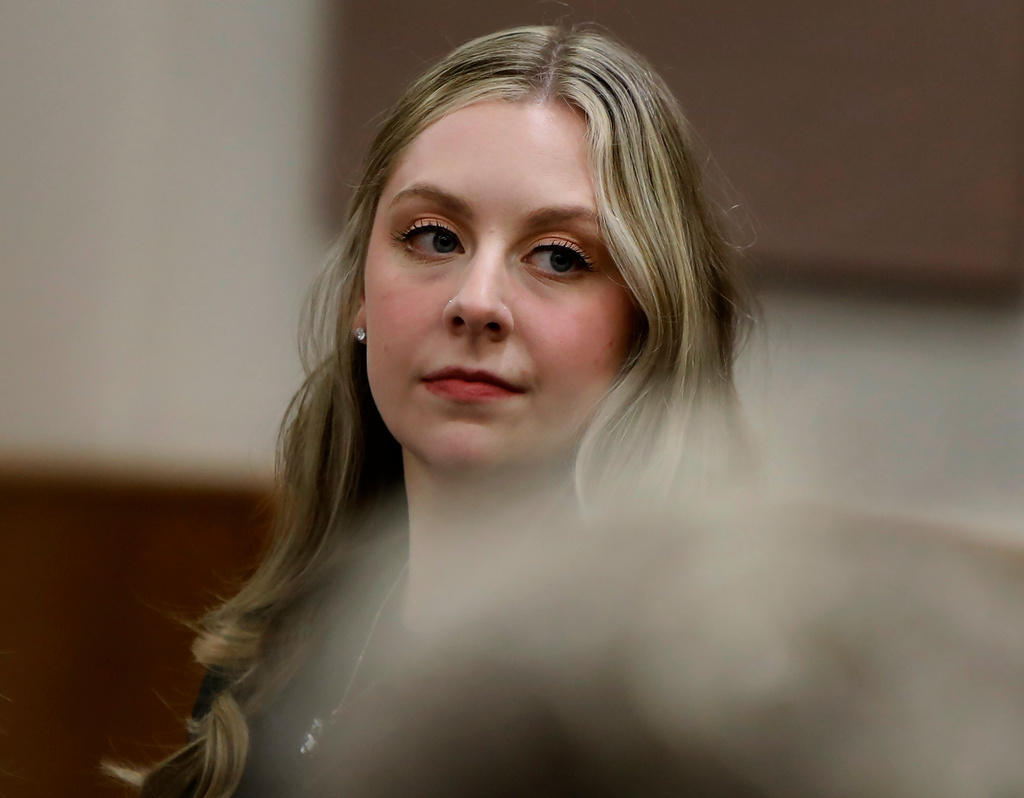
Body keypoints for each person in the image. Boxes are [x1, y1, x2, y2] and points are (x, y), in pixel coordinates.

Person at [118, 23, 749, 797]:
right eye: (433, 237)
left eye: (559, 256)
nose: (476, 301)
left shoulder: (698, 723)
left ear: (646, 326)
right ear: (360, 292)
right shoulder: (268, 674)